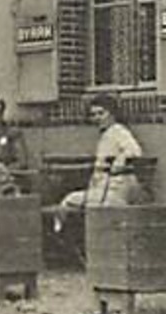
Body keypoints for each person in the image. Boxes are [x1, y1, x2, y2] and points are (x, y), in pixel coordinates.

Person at [55, 94, 145, 230]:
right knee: (75, 202)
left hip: (114, 192)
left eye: (101, 113)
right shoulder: (107, 134)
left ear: (112, 114)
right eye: (94, 114)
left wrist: (119, 162)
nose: (97, 118)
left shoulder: (118, 131)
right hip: (105, 191)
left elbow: (135, 151)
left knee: (68, 200)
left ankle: (60, 233)